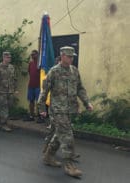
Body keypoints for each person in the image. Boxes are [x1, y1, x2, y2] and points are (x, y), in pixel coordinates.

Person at [38, 46, 93, 178]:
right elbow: (44, 90)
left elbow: (80, 88)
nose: (71, 59)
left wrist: (87, 102)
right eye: (69, 56)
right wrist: (41, 108)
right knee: (67, 135)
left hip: (70, 110)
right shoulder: (54, 71)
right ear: (62, 56)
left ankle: (48, 156)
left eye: (72, 56)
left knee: (59, 134)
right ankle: (69, 166)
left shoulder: (74, 71)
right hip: (57, 110)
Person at [0, 52, 18, 132]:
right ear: (3, 58)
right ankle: (4, 124)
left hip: (10, 91)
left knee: (8, 106)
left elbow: (14, 79)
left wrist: (15, 89)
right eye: (7, 57)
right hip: (1, 91)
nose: (9, 59)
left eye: (9, 57)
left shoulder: (11, 67)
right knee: (4, 107)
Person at [26, 50, 40, 121]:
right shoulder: (30, 63)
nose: (32, 56)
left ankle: (40, 117)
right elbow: (29, 72)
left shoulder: (40, 64)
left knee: (39, 102)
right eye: (31, 55)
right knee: (31, 101)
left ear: (37, 55)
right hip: (31, 85)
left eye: (34, 54)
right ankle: (31, 116)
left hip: (38, 86)